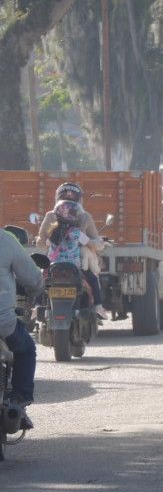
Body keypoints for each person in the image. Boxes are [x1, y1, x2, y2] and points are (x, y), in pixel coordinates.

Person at [36, 182, 105, 316]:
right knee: (93, 278)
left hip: (52, 265)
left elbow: (42, 241)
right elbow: (94, 243)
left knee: (39, 279)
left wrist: (45, 242)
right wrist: (92, 242)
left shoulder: (52, 220)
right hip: (76, 266)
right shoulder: (80, 228)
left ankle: (37, 306)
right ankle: (98, 307)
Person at [1, 228, 43, 429]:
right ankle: (19, 398)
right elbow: (32, 278)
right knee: (26, 349)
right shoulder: (6, 240)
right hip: (3, 324)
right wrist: (36, 289)